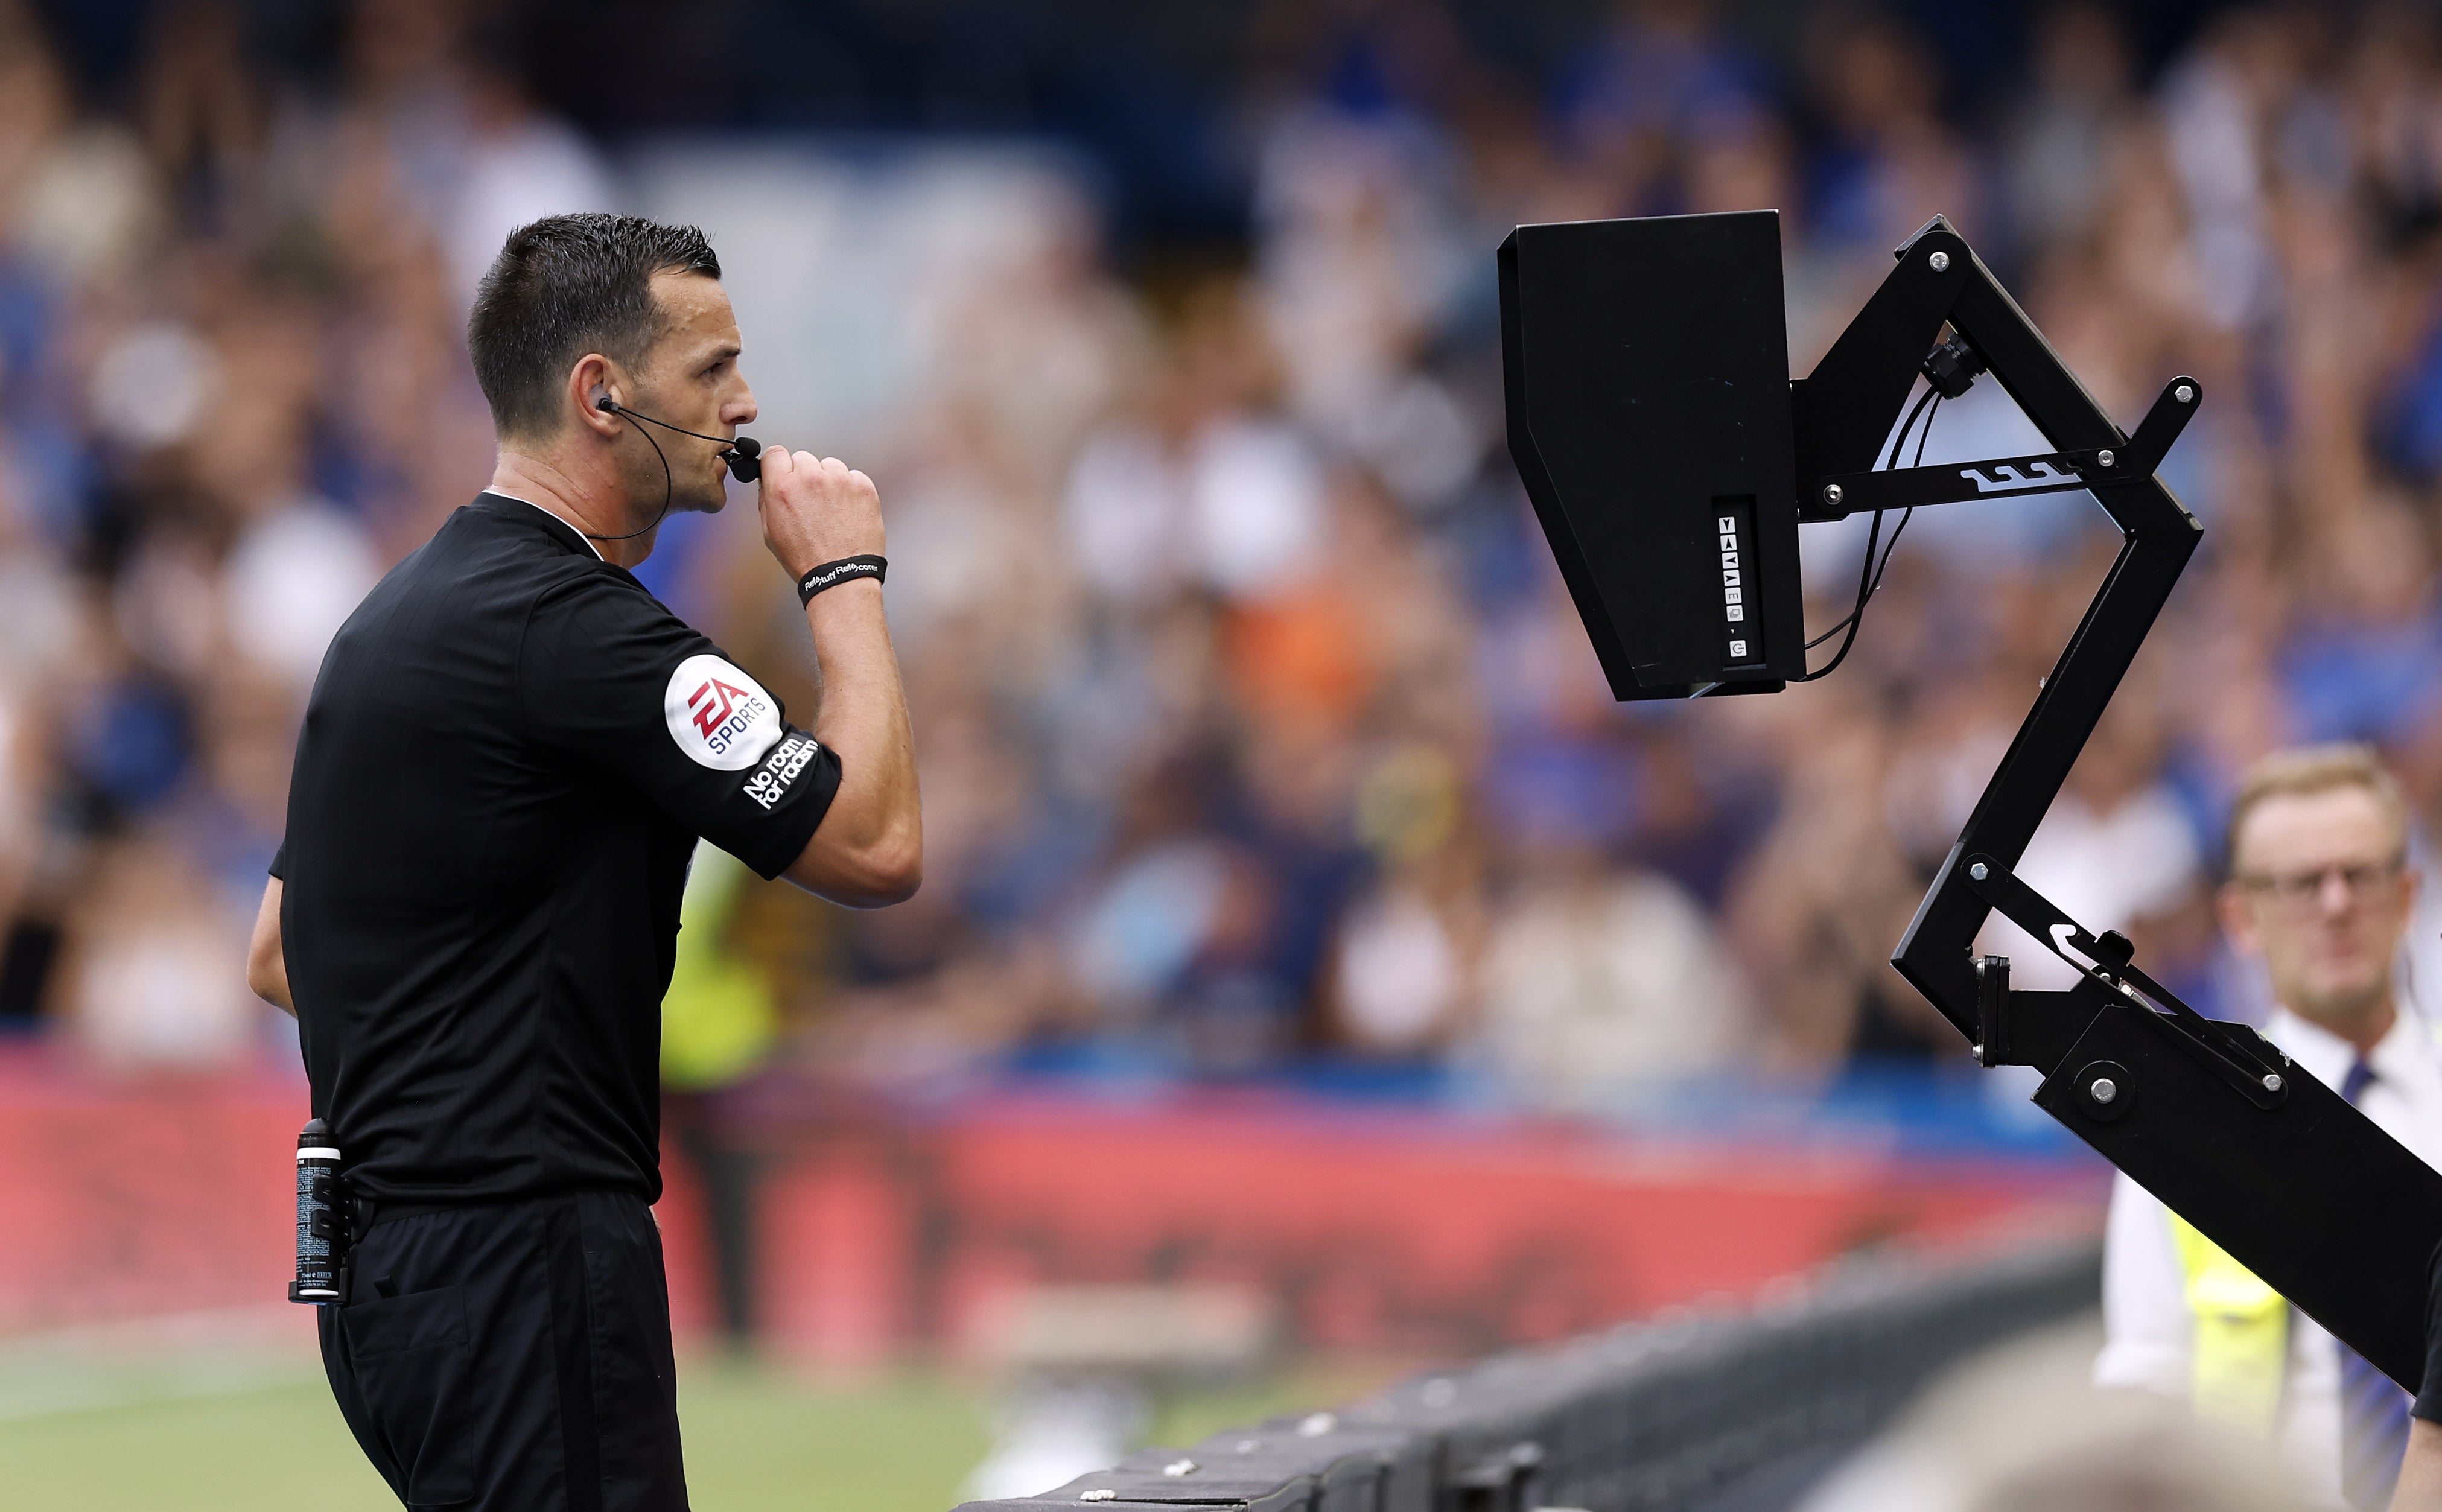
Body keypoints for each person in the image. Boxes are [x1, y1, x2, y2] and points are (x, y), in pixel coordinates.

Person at [243, 212, 921, 1511]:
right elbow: (876, 845)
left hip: (384, 1270)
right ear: (601, 395)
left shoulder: (390, 622)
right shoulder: (588, 640)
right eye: (712, 368)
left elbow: (282, 953)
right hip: (521, 1256)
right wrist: (843, 580)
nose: (747, 400)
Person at [2096, 745, 2438, 1510]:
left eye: (2362, 873)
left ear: (2408, 893)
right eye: (2300, 882)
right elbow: (2148, 1383)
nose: (2337, 903)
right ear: (2239, 917)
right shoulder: (2183, 1121)